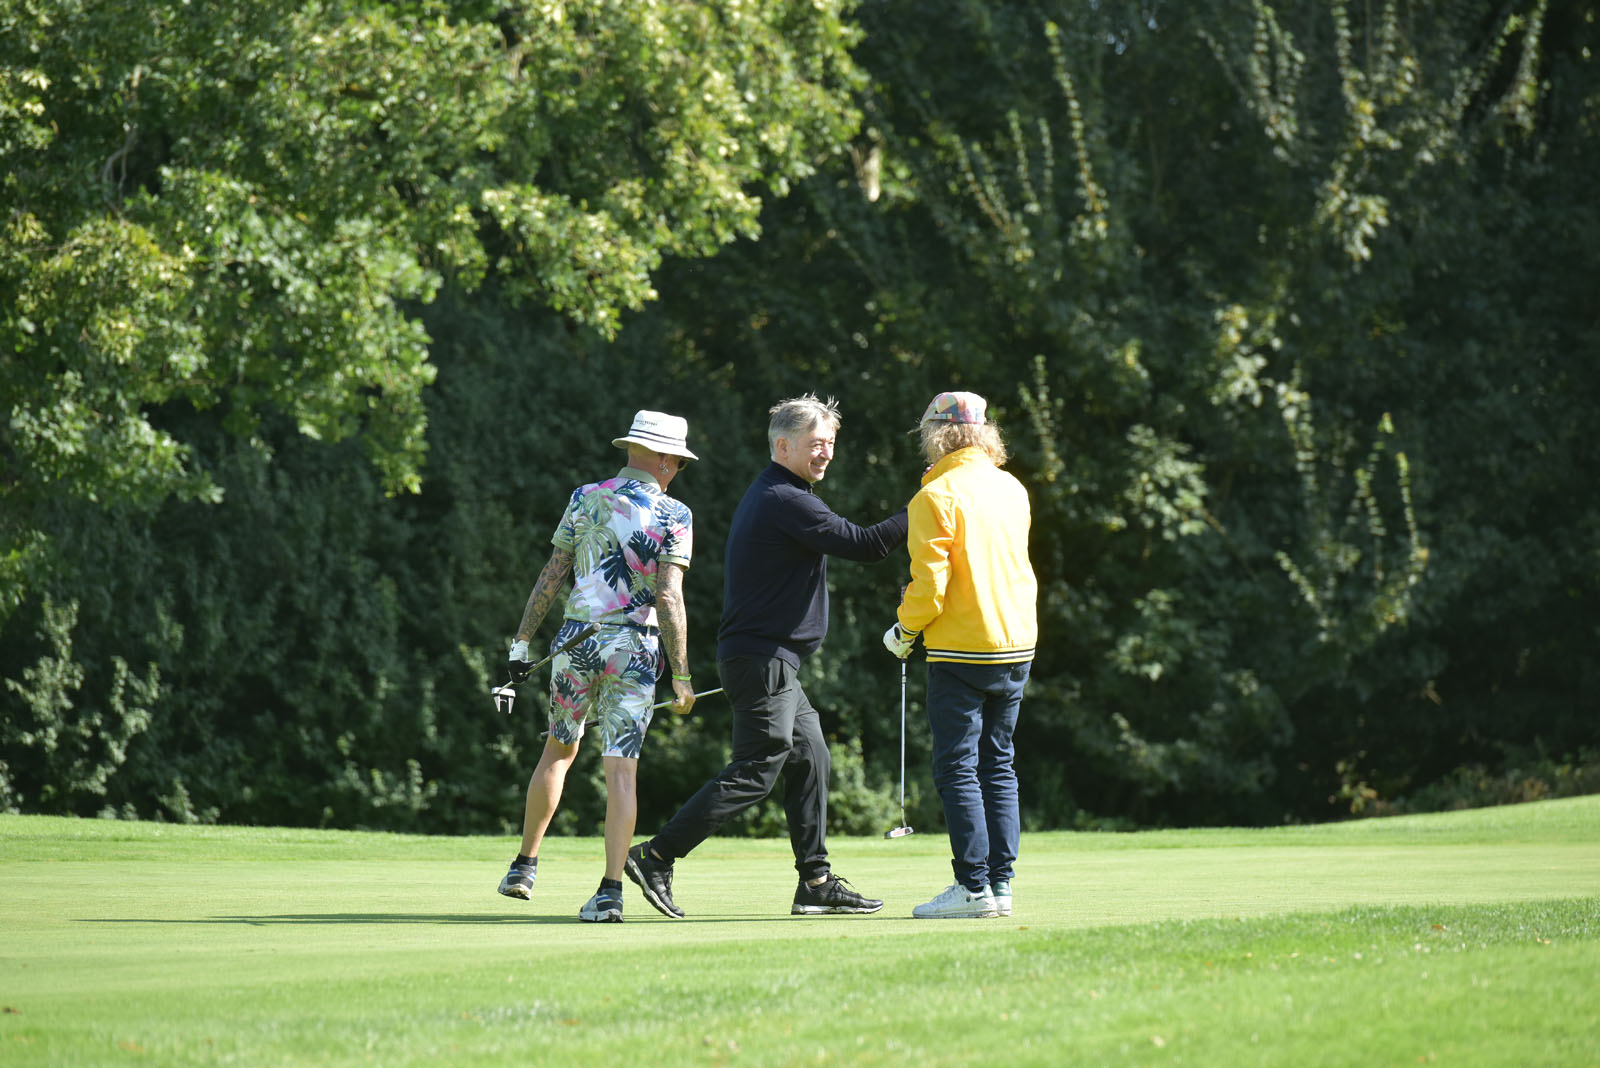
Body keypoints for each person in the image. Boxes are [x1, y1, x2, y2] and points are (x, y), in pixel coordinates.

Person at [626, 393, 907, 918]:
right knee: (757, 767)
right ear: (783, 446)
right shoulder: (785, 498)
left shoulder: (782, 494)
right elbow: (867, 544)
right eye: (816, 443)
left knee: (811, 755)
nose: (826, 453)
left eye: (831, 443)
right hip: (763, 659)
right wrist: (926, 507)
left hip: (772, 661)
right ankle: (657, 855)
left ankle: (815, 882)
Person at [496, 410, 698, 923]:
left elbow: (553, 573)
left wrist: (522, 641)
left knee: (558, 750)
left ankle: (524, 866)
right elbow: (669, 596)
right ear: (663, 459)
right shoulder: (675, 513)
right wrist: (681, 675)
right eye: (677, 460)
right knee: (621, 770)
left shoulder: (585, 497)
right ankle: (610, 892)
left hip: (575, 641)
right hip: (635, 649)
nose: (677, 469)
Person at [882, 391, 1037, 919]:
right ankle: (1001, 885)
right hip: (1016, 643)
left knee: (958, 769)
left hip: (962, 649)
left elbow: (930, 588)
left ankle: (973, 889)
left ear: (936, 435)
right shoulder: (1012, 487)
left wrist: (903, 630)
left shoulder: (934, 496)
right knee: (999, 765)